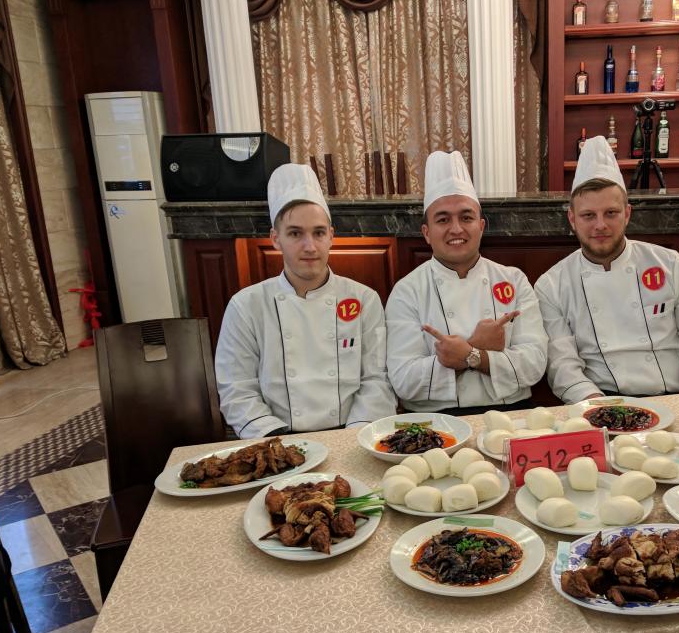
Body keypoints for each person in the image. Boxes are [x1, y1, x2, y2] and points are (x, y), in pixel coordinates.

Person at [535, 136, 679, 403]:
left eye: (611, 213)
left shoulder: (669, 264)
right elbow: (563, 369)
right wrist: (605, 411)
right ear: (572, 219)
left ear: (627, 214)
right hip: (601, 402)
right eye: (588, 215)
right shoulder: (551, 285)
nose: (600, 225)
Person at [215, 163, 395, 437]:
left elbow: (377, 380)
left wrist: (351, 437)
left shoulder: (364, 299)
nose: (310, 246)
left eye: (318, 232)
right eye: (295, 233)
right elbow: (237, 389)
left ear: (331, 236)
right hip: (278, 440)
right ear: (276, 239)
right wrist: (279, 444)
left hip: (352, 434)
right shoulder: (245, 306)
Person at [385, 150, 547, 414]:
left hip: (512, 413)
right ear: (427, 233)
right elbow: (404, 380)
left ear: (481, 227)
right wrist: (479, 347)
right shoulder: (407, 291)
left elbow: (534, 364)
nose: (456, 229)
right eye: (443, 219)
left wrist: (469, 354)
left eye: (466, 217)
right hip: (436, 421)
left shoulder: (514, 280)